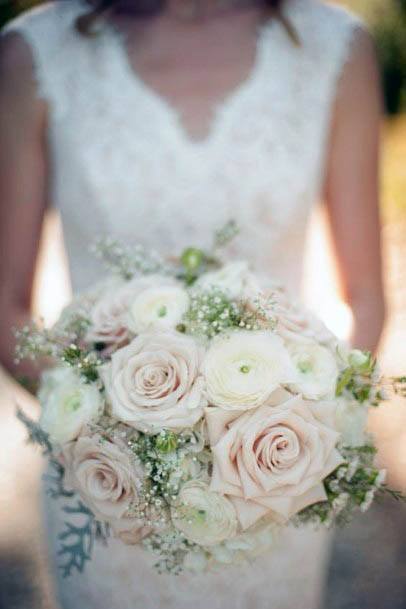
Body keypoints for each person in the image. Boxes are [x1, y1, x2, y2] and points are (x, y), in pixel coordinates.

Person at [0, 0, 385, 607]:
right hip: (108, 489)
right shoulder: (36, 51)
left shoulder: (335, 47)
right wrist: (114, 438)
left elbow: (363, 297)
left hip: (274, 477)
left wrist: (299, 430)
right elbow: (6, 304)